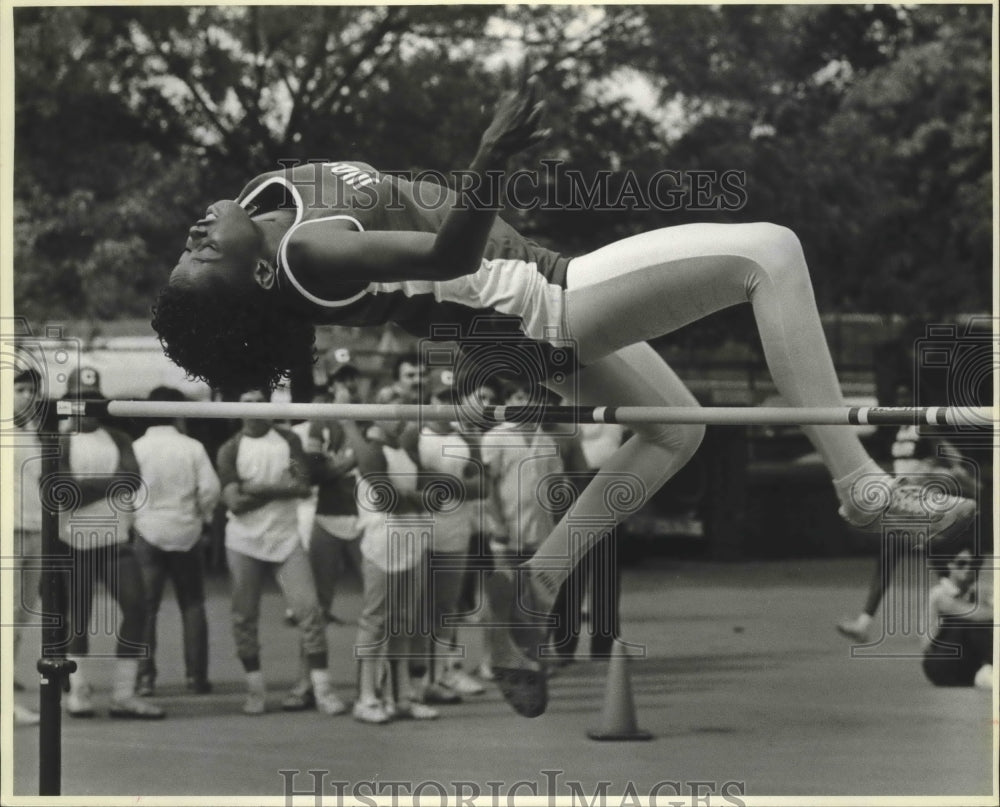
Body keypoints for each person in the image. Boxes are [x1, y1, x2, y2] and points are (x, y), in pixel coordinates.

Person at [152, 77, 977, 717]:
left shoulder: (268, 222)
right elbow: (444, 258)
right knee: (771, 252)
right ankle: (858, 485)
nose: (191, 241)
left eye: (187, 254)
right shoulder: (305, 253)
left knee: (674, 431)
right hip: (542, 298)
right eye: (202, 261)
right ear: (257, 275)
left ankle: (536, 589)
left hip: (513, 319)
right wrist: (490, 156)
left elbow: (362, 308)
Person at [216, 388, 347, 716]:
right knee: (244, 616)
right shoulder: (230, 448)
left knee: (310, 611)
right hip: (244, 541)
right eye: (246, 401)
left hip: (285, 539)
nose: (254, 407)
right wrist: (279, 490)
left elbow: (303, 486)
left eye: (259, 400)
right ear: (237, 408)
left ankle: (322, 689)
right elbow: (234, 503)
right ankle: (255, 690)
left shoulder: (288, 440)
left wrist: (257, 488)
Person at [55, 367, 164, 719]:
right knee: (79, 620)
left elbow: (131, 479)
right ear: (69, 402)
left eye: (91, 400)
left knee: (137, 606)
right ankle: (78, 689)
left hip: (115, 539)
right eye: (79, 400)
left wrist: (88, 487)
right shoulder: (61, 439)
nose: (86, 407)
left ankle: (123, 693)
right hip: (75, 540)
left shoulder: (118, 438)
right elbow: (64, 494)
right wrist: (109, 484)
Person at [837, 387, 979, 643]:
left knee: (906, 557)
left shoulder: (923, 426)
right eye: (898, 399)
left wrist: (958, 478)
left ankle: (964, 611)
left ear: (914, 402)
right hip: (903, 504)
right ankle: (963, 609)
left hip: (922, 503)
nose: (899, 404)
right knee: (906, 559)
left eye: (905, 399)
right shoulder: (899, 431)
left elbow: (946, 458)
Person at [352, 386, 439, 723]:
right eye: (392, 410)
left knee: (404, 621)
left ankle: (401, 696)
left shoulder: (406, 453)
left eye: (404, 410)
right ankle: (366, 697)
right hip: (380, 543)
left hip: (411, 540)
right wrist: (415, 496)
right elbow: (387, 500)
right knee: (375, 621)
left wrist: (410, 495)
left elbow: (437, 494)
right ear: (375, 413)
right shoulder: (371, 453)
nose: (400, 417)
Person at [132, 386, 221, 696]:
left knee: (146, 608)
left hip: (149, 529)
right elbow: (210, 489)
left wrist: (138, 517)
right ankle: (196, 677)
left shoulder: (138, 447)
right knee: (192, 604)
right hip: (185, 528)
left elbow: (128, 491)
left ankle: (144, 678)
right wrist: (201, 516)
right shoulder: (192, 447)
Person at [8, 367, 44, 726]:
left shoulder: (33, 431)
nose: (26, 396)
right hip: (9, 532)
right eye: (19, 388)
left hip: (35, 531)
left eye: (30, 390)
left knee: (21, 619)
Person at [921, 549, 993, 688]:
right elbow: (972, 613)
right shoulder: (939, 594)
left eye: (973, 564)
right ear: (949, 564)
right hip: (941, 661)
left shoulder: (975, 594)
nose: (968, 568)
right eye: (961, 563)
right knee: (974, 623)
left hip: (967, 663)